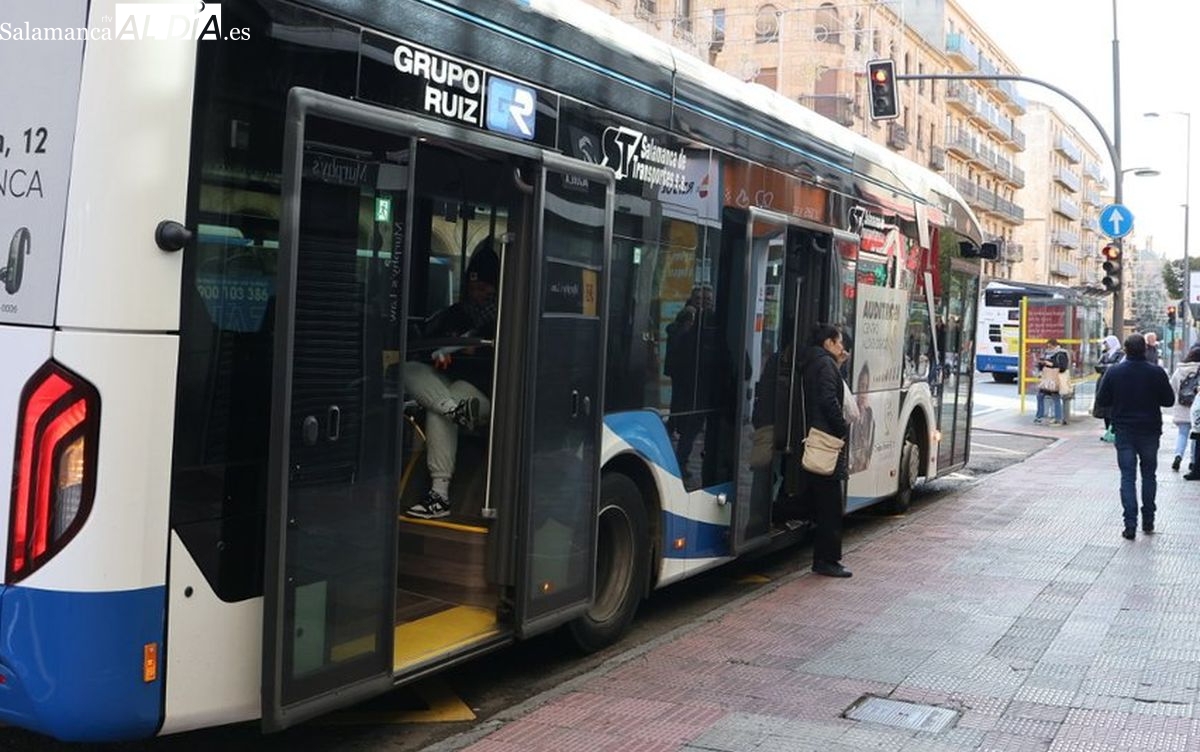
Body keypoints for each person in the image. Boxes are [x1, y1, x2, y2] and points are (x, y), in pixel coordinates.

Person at [402, 240, 500, 519]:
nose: (477, 294)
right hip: (446, 388)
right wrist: (437, 353)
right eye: (473, 288)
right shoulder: (454, 314)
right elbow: (423, 343)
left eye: (484, 288)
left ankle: (439, 495)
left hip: (481, 393)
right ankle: (450, 408)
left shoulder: (506, 321)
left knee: (440, 410)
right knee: (407, 369)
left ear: (496, 288)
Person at [1094, 333, 1175, 540]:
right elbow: (1168, 401)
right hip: (1150, 430)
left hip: (1124, 430)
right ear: (1145, 350)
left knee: (1127, 477)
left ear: (1126, 350)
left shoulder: (1115, 372)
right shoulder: (1156, 372)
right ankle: (1148, 520)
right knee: (1149, 475)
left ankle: (1130, 524)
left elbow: (1103, 400)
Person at [795, 323, 852, 577]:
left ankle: (775, 515)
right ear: (828, 343)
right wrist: (842, 429)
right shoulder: (825, 365)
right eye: (839, 342)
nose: (842, 347)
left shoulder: (814, 362)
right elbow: (829, 399)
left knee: (813, 500)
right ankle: (827, 560)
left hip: (815, 435)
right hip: (825, 440)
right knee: (830, 506)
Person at [1168, 347, 1200, 473]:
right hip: (1197, 409)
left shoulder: (1180, 369)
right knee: (1196, 436)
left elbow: (1173, 387)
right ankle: (1193, 462)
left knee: (1182, 434)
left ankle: (1178, 455)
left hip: (1182, 408)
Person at [1094, 334, 1124, 442]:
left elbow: (1117, 366)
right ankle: (1108, 430)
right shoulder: (1104, 354)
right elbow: (1097, 367)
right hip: (1102, 381)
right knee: (1104, 407)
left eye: (1106, 343)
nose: (1105, 345)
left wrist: (1107, 367)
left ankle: (1113, 431)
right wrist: (1109, 367)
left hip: (1114, 382)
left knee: (1112, 407)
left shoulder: (1120, 354)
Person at [1033, 339, 1069, 426]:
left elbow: (1063, 367)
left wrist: (1051, 364)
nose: (1049, 348)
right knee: (1040, 396)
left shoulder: (1061, 354)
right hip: (1047, 380)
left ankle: (1058, 419)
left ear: (1055, 345)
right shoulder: (1047, 354)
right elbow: (1043, 366)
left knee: (1056, 398)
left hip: (1055, 380)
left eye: (1050, 346)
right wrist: (1041, 364)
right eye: (1048, 346)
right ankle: (1039, 417)